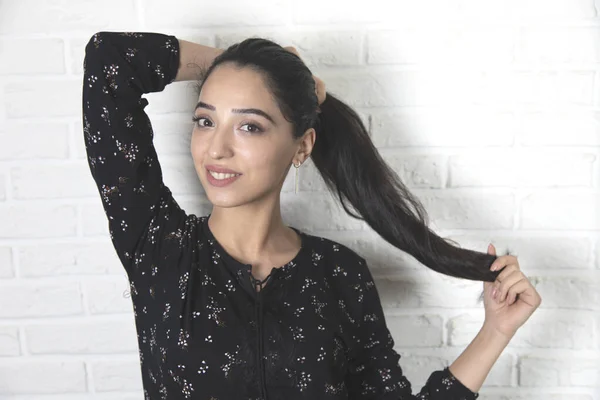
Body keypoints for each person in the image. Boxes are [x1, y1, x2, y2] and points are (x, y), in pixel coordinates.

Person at [82, 31, 541, 400]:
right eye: (205, 120)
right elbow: (109, 60)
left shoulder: (340, 275)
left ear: (302, 145)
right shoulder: (160, 248)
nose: (216, 149)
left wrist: (496, 330)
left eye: (249, 125)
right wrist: (246, 66)